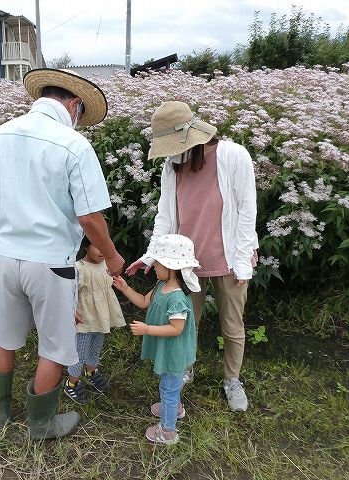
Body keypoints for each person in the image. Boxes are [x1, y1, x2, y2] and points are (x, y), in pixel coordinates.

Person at [0, 68, 124, 439]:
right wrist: (111, 256)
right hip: (52, 263)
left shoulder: (0, 133)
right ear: (74, 105)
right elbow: (90, 216)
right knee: (56, 347)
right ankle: (40, 425)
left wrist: (15, 215)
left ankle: (0, 405)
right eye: (81, 115)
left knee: (5, 337)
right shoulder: (73, 145)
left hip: (8, 256)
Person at [125, 101, 258, 412]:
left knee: (232, 323)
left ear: (193, 138)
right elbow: (166, 216)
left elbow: (247, 211)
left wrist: (241, 262)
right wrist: (150, 255)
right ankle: (185, 367)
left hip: (228, 258)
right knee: (185, 321)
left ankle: (232, 379)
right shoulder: (172, 166)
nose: (172, 153)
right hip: (185, 263)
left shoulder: (234, 155)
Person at [114, 234, 199, 445]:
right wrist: (125, 288)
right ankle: (175, 408)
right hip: (168, 346)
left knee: (169, 386)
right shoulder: (161, 286)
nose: (153, 267)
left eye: (157, 263)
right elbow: (143, 301)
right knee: (170, 383)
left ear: (172, 267)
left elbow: (176, 329)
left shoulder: (178, 297)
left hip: (174, 349)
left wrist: (147, 329)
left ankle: (167, 431)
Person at [63, 236, 126, 404]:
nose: (102, 251)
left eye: (105, 245)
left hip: (101, 317)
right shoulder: (79, 268)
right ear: (86, 246)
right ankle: (71, 383)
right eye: (97, 246)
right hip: (85, 319)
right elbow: (69, 292)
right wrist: (72, 311)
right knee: (80, 352)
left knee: (96, 347)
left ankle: (91, 372)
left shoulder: (107, 265)